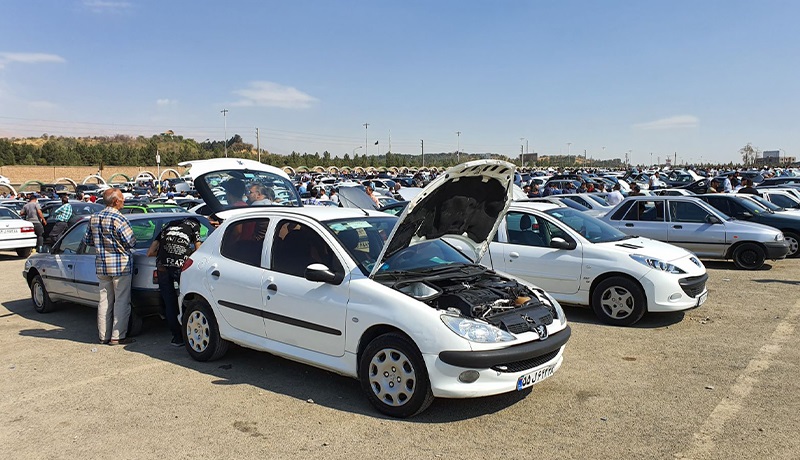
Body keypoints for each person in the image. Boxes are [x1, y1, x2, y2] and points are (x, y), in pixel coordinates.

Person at [83, 189, 136, 345]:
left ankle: (103, 336)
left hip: (102, 264)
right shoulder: (119, 218)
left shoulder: (94, 217)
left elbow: (87, 240)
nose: (124, 201)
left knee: (104, 301)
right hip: (120, 265)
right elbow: (131, 242)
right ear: (115, 201)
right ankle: (117, 336)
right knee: (121, 301)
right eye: (122, 199)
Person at [147, 217, 202, 346]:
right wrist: (184, 253)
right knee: (187, 298)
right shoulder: (194, 226)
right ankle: (188, 333)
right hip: (179, 265)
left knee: (169, 302)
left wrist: (164, 254)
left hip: (162, 266)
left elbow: (150, 252)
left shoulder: (167, 226)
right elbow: (199, 250)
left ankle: (177, 338)